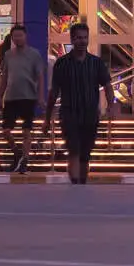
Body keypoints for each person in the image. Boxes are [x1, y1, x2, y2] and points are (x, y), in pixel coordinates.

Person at [44, 23, 114, 184]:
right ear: (72, 39)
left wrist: (111, 105)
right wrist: (47, 118)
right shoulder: (62, 64)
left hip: (90, 114)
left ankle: (82, 182)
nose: (82, 41)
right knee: (74, 149)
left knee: (85, 153)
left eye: (85, 38)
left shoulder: (96, 63)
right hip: (69, 113)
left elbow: (107, 85)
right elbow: (54, 91)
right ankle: (75, 183)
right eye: (79, 38)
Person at [0, 25, 45, 173]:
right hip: (11, 97)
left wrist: (40, 96)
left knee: (26, 131)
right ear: (12, 38)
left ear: (25, 36)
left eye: (20, 36)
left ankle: (25, 159)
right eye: (15, 36)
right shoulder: (8, 55)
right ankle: (17, 152)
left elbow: (40, 76)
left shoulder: (34, 54)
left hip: (28, 97)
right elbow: (5, 76)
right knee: (6, 130)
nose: (18, 38)